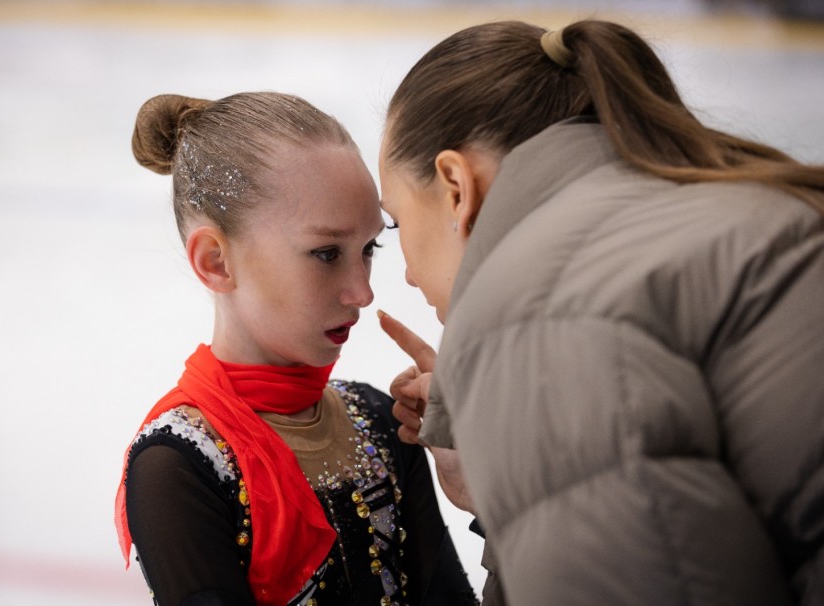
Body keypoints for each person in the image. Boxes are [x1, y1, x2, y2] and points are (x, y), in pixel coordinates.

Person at [375, 19, 824, 606]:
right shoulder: (736, 207)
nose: (407, 273)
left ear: (456, 186)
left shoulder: (537, 303)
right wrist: (509, 476)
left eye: (395, 223)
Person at [114, 92, 478, 606]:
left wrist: (480, 491)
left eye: (368, 248)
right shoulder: (178, 465)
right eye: (326, 253)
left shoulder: (382, 419)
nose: (363, 292)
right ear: (216, 261)